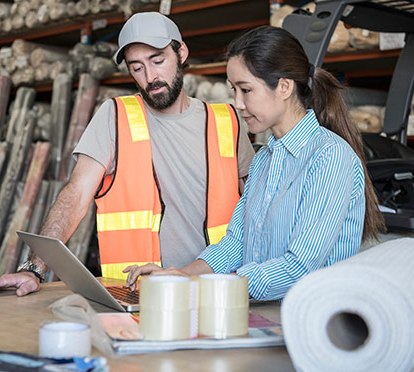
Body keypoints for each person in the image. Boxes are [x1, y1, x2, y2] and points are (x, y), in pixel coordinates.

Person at [0, 12, 255, 297]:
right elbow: (76, 195)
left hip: (218, 290)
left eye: (158, 61)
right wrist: (34, 268)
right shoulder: (115, 116)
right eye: (137, 67)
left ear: (181, 52)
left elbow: (258, 207)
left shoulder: (226, 120)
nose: (150, 77)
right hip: (137, 295)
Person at [124, 25, 385, 301]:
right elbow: (235, 245)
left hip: (314, 322)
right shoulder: (264, 160)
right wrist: (180, 276)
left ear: (284, 87)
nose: (237, 103)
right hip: (264, 314)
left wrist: (206, 288)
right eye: (233, 89)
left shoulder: (329, 158)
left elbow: (300, 267)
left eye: (245, 90)